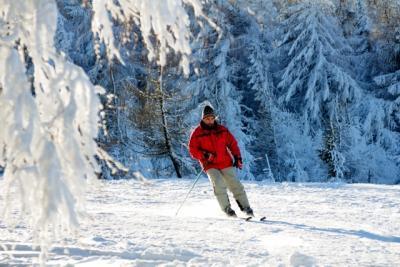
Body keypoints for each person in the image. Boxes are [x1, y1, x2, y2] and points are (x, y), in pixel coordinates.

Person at [188, 105, 254, 217]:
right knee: (218, 183)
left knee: (235, 184)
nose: (209, 121)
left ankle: (246, 208)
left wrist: (237, 157)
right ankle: (227, 209)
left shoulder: (222, 130)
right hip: (210, 164)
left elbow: (232, 144)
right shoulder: (197, 133)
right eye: (207, 119)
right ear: (203, 119)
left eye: (211, 118)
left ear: (214, 118)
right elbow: (192, 149)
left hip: (225, 162)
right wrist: (204, 155)